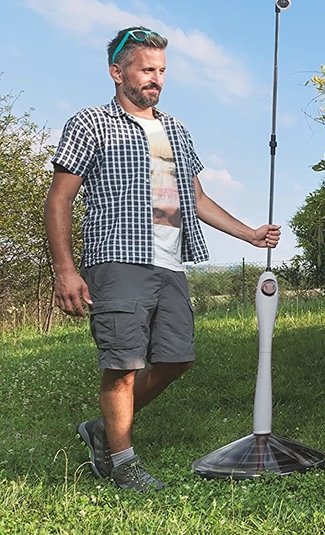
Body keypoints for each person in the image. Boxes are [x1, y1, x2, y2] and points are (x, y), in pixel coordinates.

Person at [44, 27, 281, 492]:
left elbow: (196, 197)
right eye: (146, 69)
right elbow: (59, 199)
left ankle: (102, 430)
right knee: (123, 365)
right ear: (117, 71)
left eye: (162, 71)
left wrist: (249, 233)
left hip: (170, 262)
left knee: (176, 358)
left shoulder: (175, 129)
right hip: (117, 259)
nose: (156, 79)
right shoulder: (91, 123)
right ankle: (123, 462)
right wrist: (65, 269)